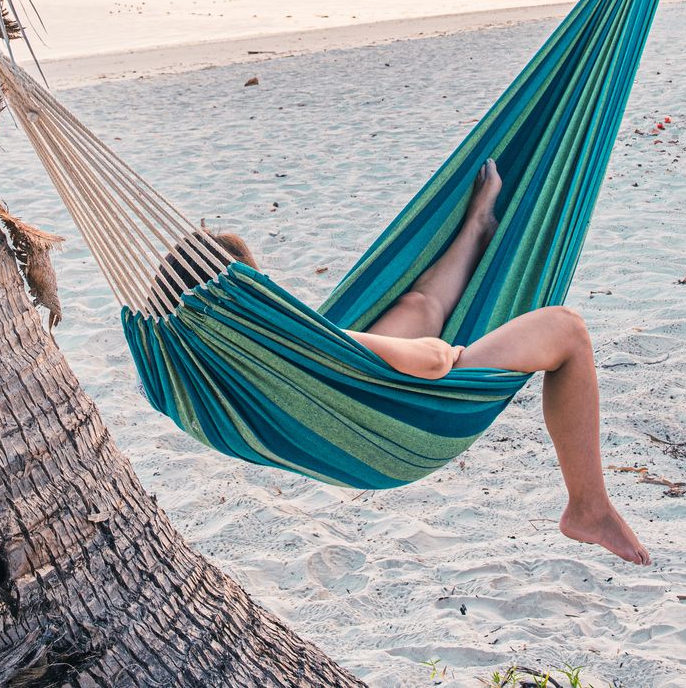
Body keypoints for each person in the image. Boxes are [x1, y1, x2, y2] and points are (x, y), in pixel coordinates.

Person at [156, 159, 649, 566]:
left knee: (418, 308)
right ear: (253, 295)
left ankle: (477, 226)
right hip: (401, 423)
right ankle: (587, 506)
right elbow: (434, 362)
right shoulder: (298, 344)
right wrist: (446, 351)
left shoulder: (179, 376)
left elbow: (414, 325)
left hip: (342, 411)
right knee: (567, 330)